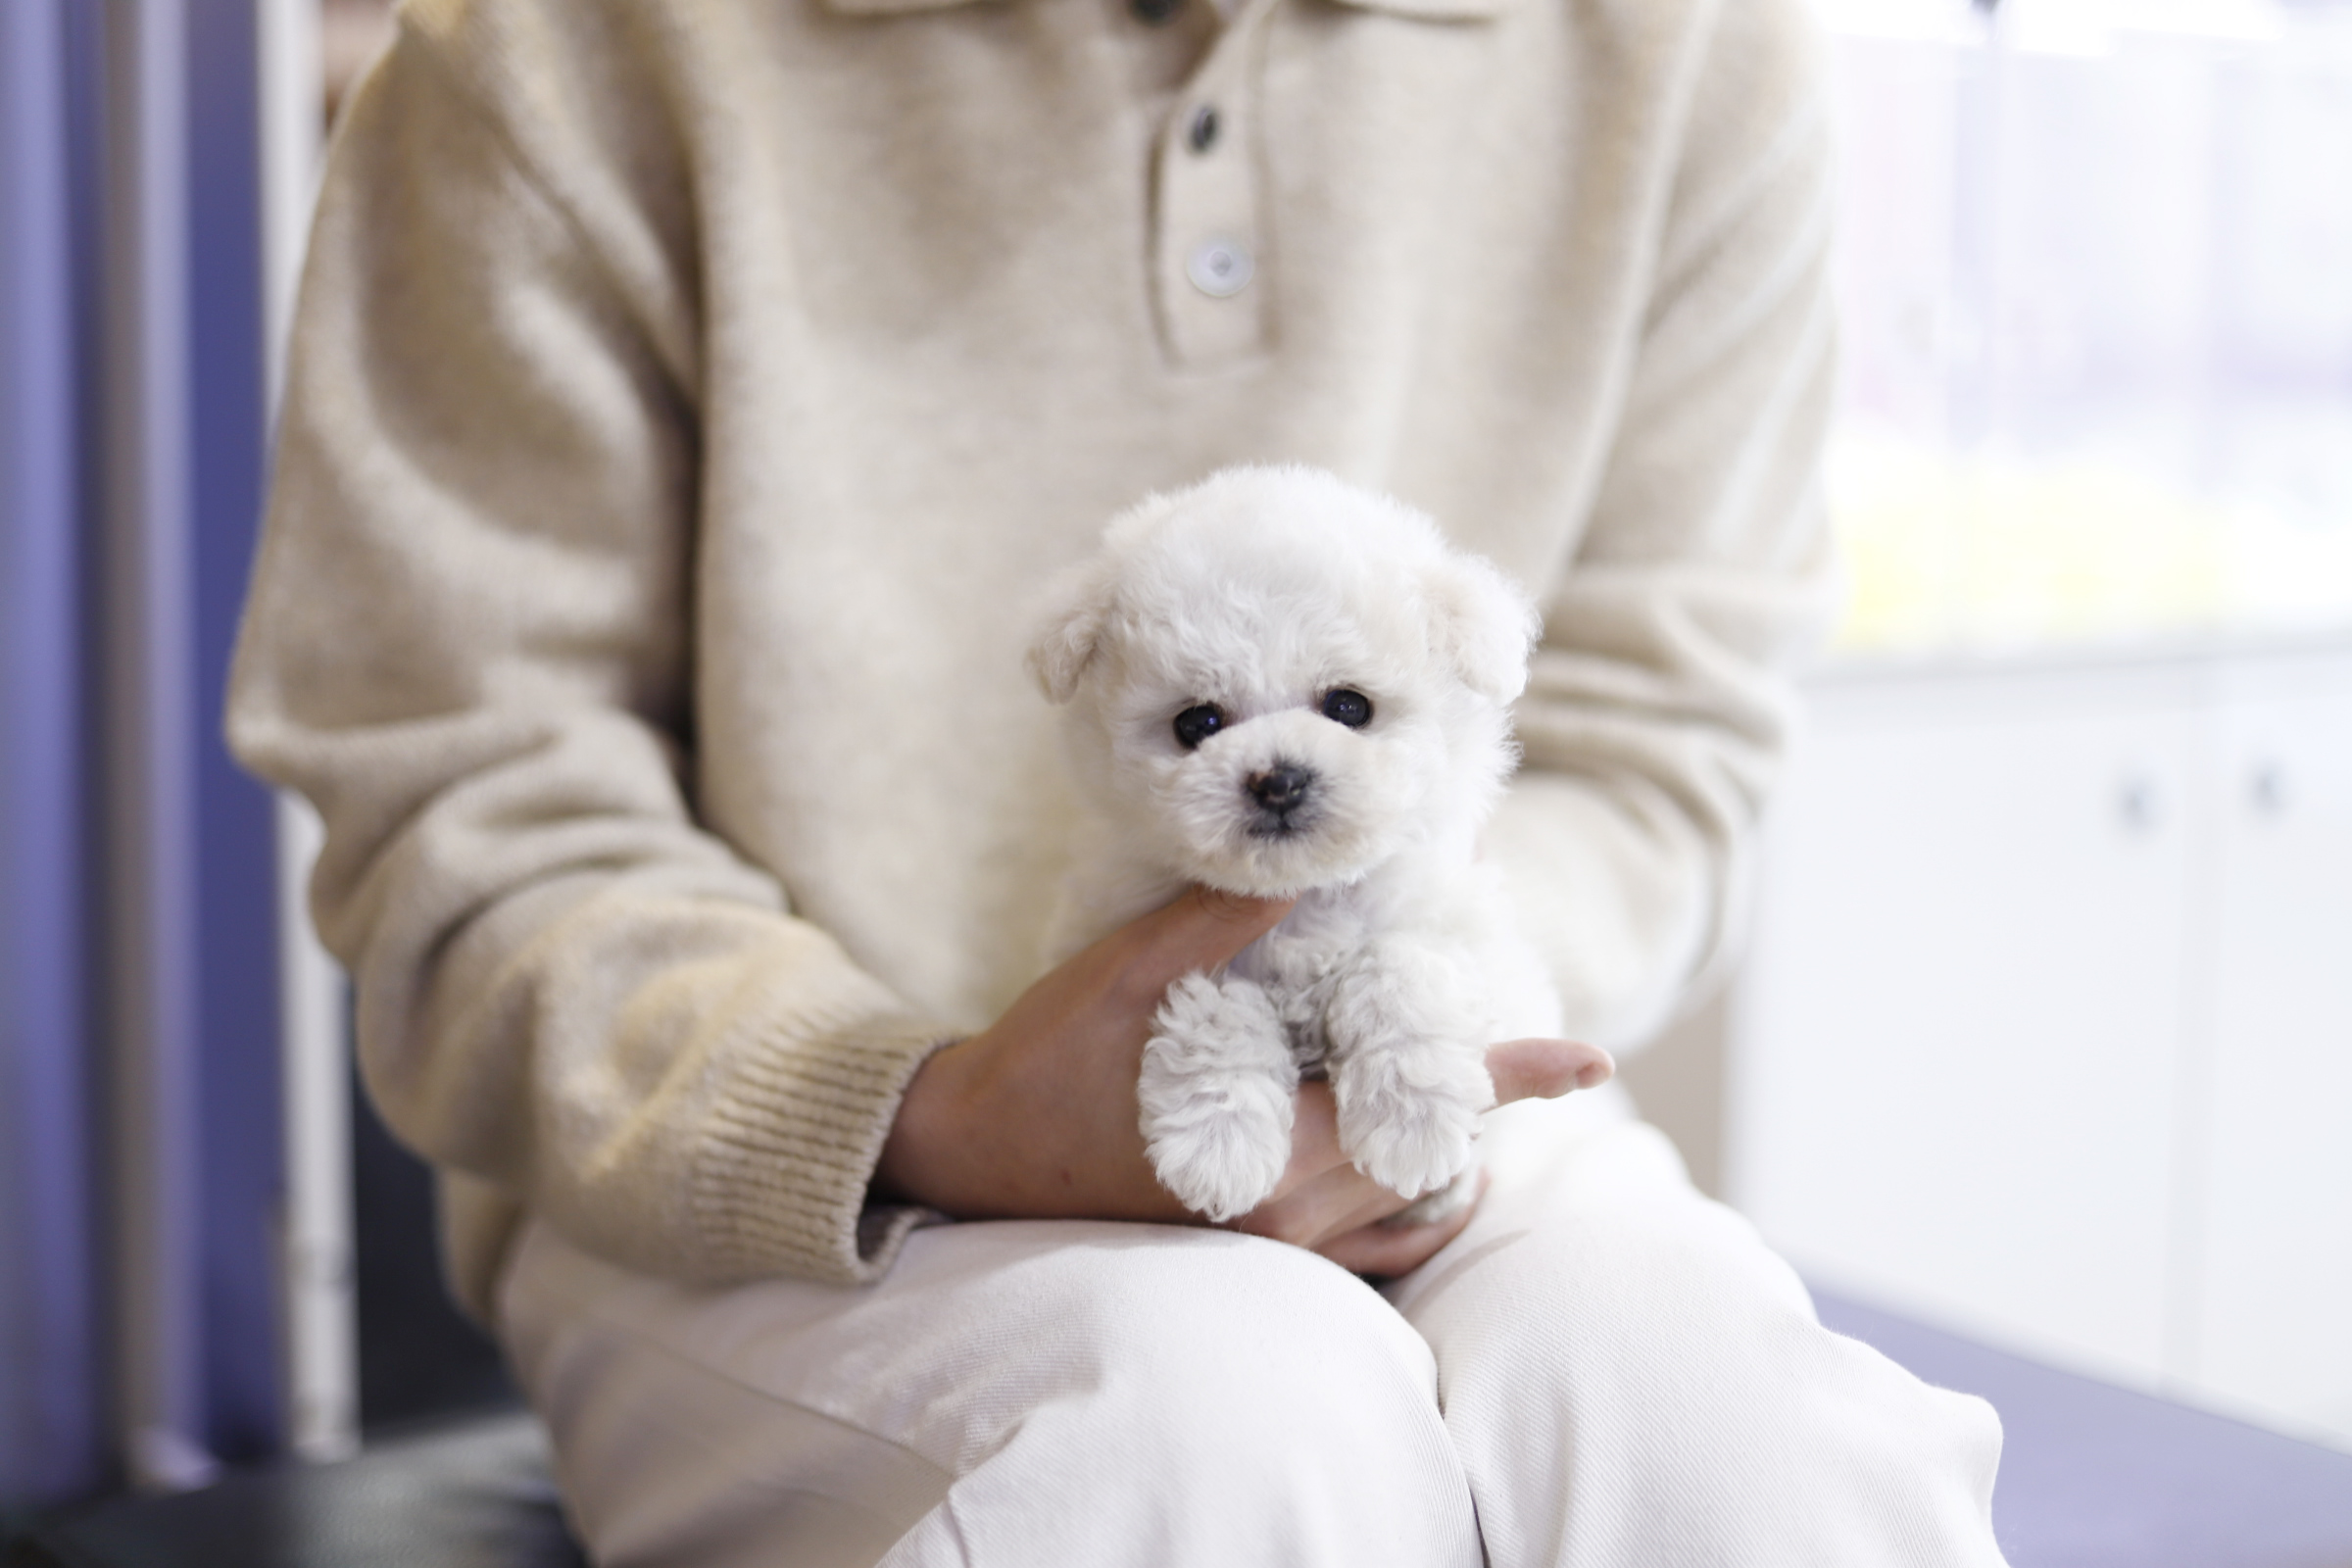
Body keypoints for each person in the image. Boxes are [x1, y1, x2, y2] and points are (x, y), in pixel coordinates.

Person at [228, 0, 2012, 1560]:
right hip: (774, 1185)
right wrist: (922, 1105)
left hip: (1447, 1059)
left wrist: (1390, 1030)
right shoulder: (555, 50)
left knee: (1742, 1444)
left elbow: (1656, 737)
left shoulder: (1691, 41)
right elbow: (464, 802)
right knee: (1221, 1424)